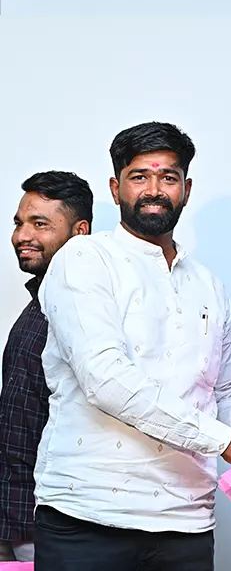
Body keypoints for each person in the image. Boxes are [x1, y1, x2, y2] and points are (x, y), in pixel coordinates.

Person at [33, 121, 231, 571]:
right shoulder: (84, 259)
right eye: (139, 176)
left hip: (186, 522)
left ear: (186, 190)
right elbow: (106, 380)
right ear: (116, 188)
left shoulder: (209, 285)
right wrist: (230, 442)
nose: (154, 190)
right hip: (89, 517)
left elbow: (226, 389)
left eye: (168, 177)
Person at [0, 171, 93, 562]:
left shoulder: (88, 311)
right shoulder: (36, 305)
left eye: (40, 224)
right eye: (19, 223)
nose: (22, 235)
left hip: (56, 523)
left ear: (79, 232)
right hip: (18, 517)